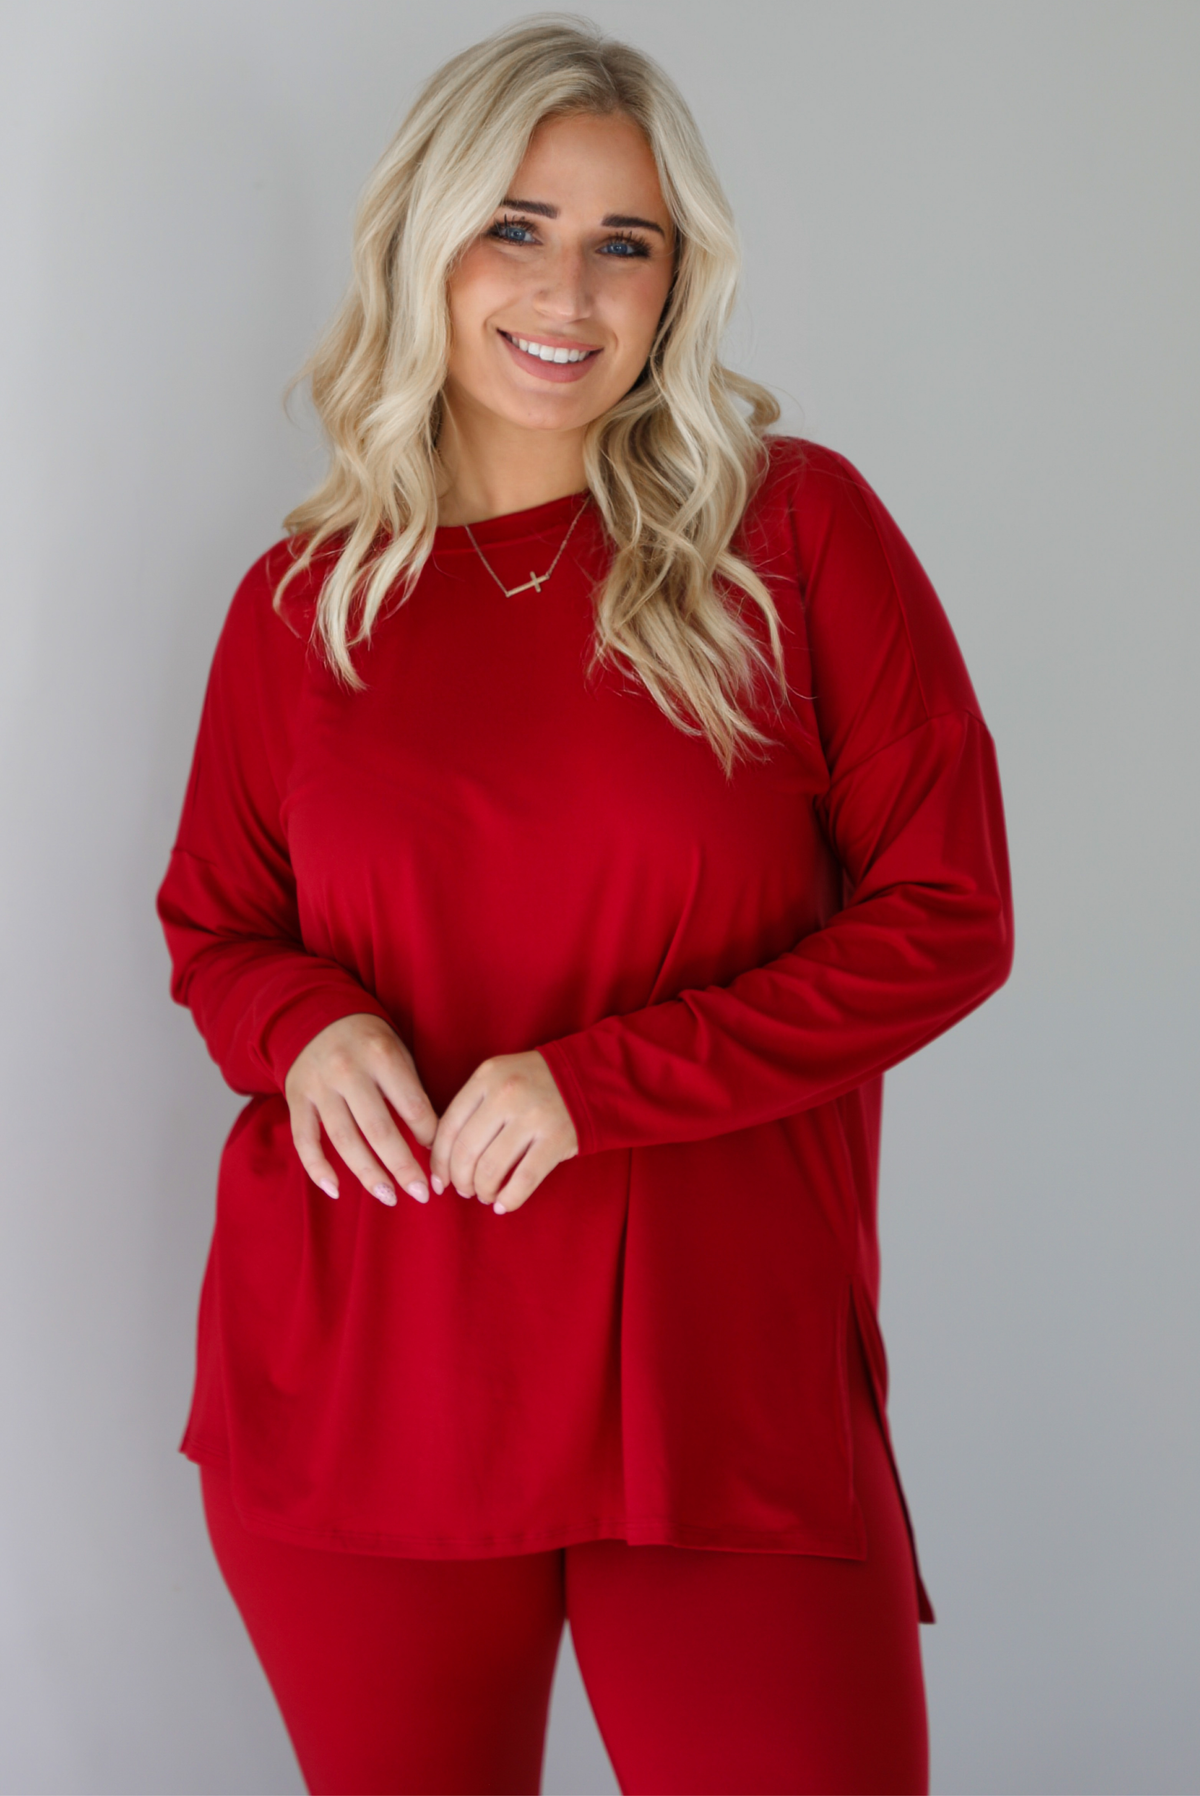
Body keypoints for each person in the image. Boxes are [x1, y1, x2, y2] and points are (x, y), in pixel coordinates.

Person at [156, 17, 1012, 1795]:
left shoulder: (793, 532)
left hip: (717, 1379)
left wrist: (596, 1083)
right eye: (518, 225)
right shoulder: (299, 606)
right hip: (371, 1360)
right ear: (425, 243)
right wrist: (306, 1027)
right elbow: (217, 926)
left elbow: (948, 913)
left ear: (678, 278)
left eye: (627, 240)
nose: (571, 288)